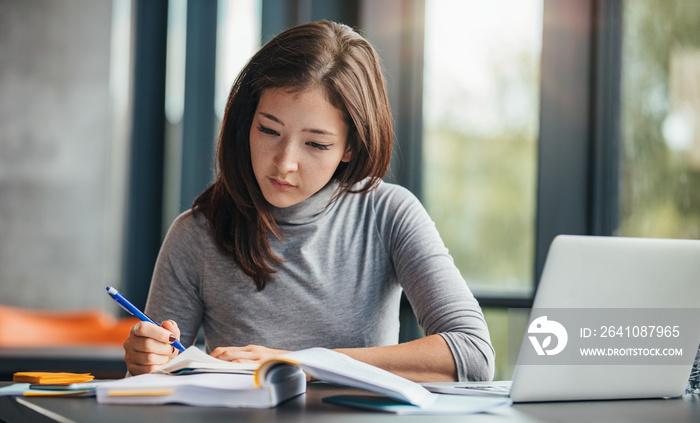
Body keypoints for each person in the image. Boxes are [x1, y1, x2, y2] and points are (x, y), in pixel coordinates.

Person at [123, 20, 494, 383]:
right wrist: (145, 364)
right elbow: (149, 388)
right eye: (269, 130)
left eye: (316, 144)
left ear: (350, 146)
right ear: (246, 121)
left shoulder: (388, 214)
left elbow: (473, 353)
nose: (284, 163)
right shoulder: (197, 235)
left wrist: (303, 363)